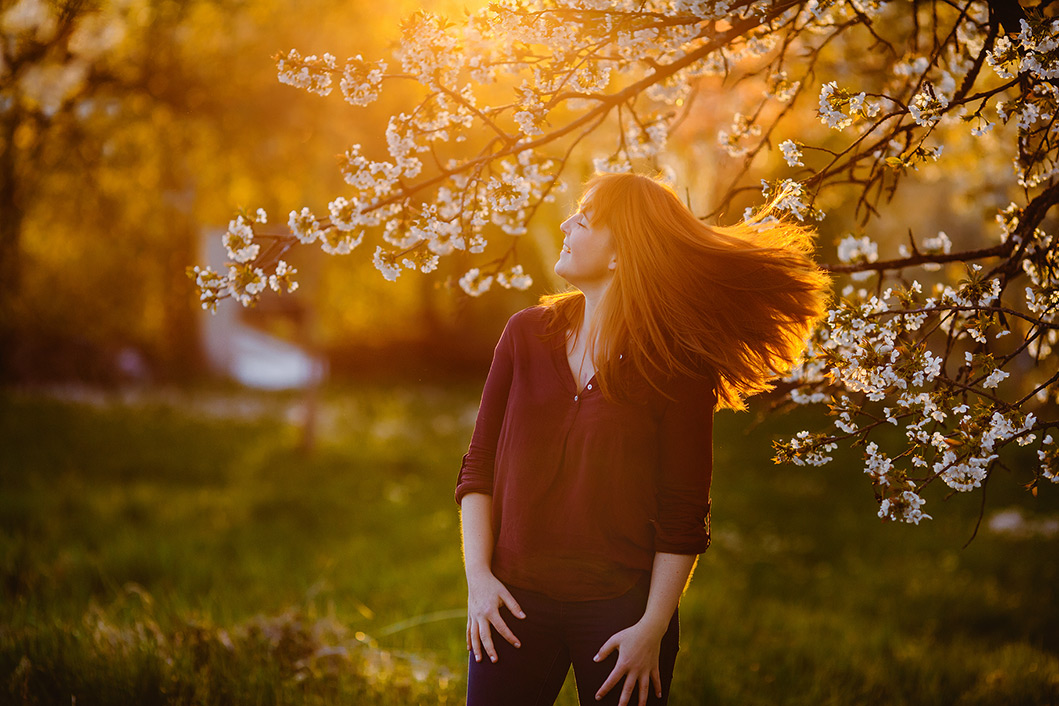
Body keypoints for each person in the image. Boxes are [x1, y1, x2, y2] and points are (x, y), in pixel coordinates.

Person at [455, 172, 829, 706]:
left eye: (583, 219)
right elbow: (479, 465)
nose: (566, 223)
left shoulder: (677, 367)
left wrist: (652, 628)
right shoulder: (524, 335)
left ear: (619, 255)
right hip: (510, 603)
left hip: (620, 615)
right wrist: (479, 580)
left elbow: (683, 511)